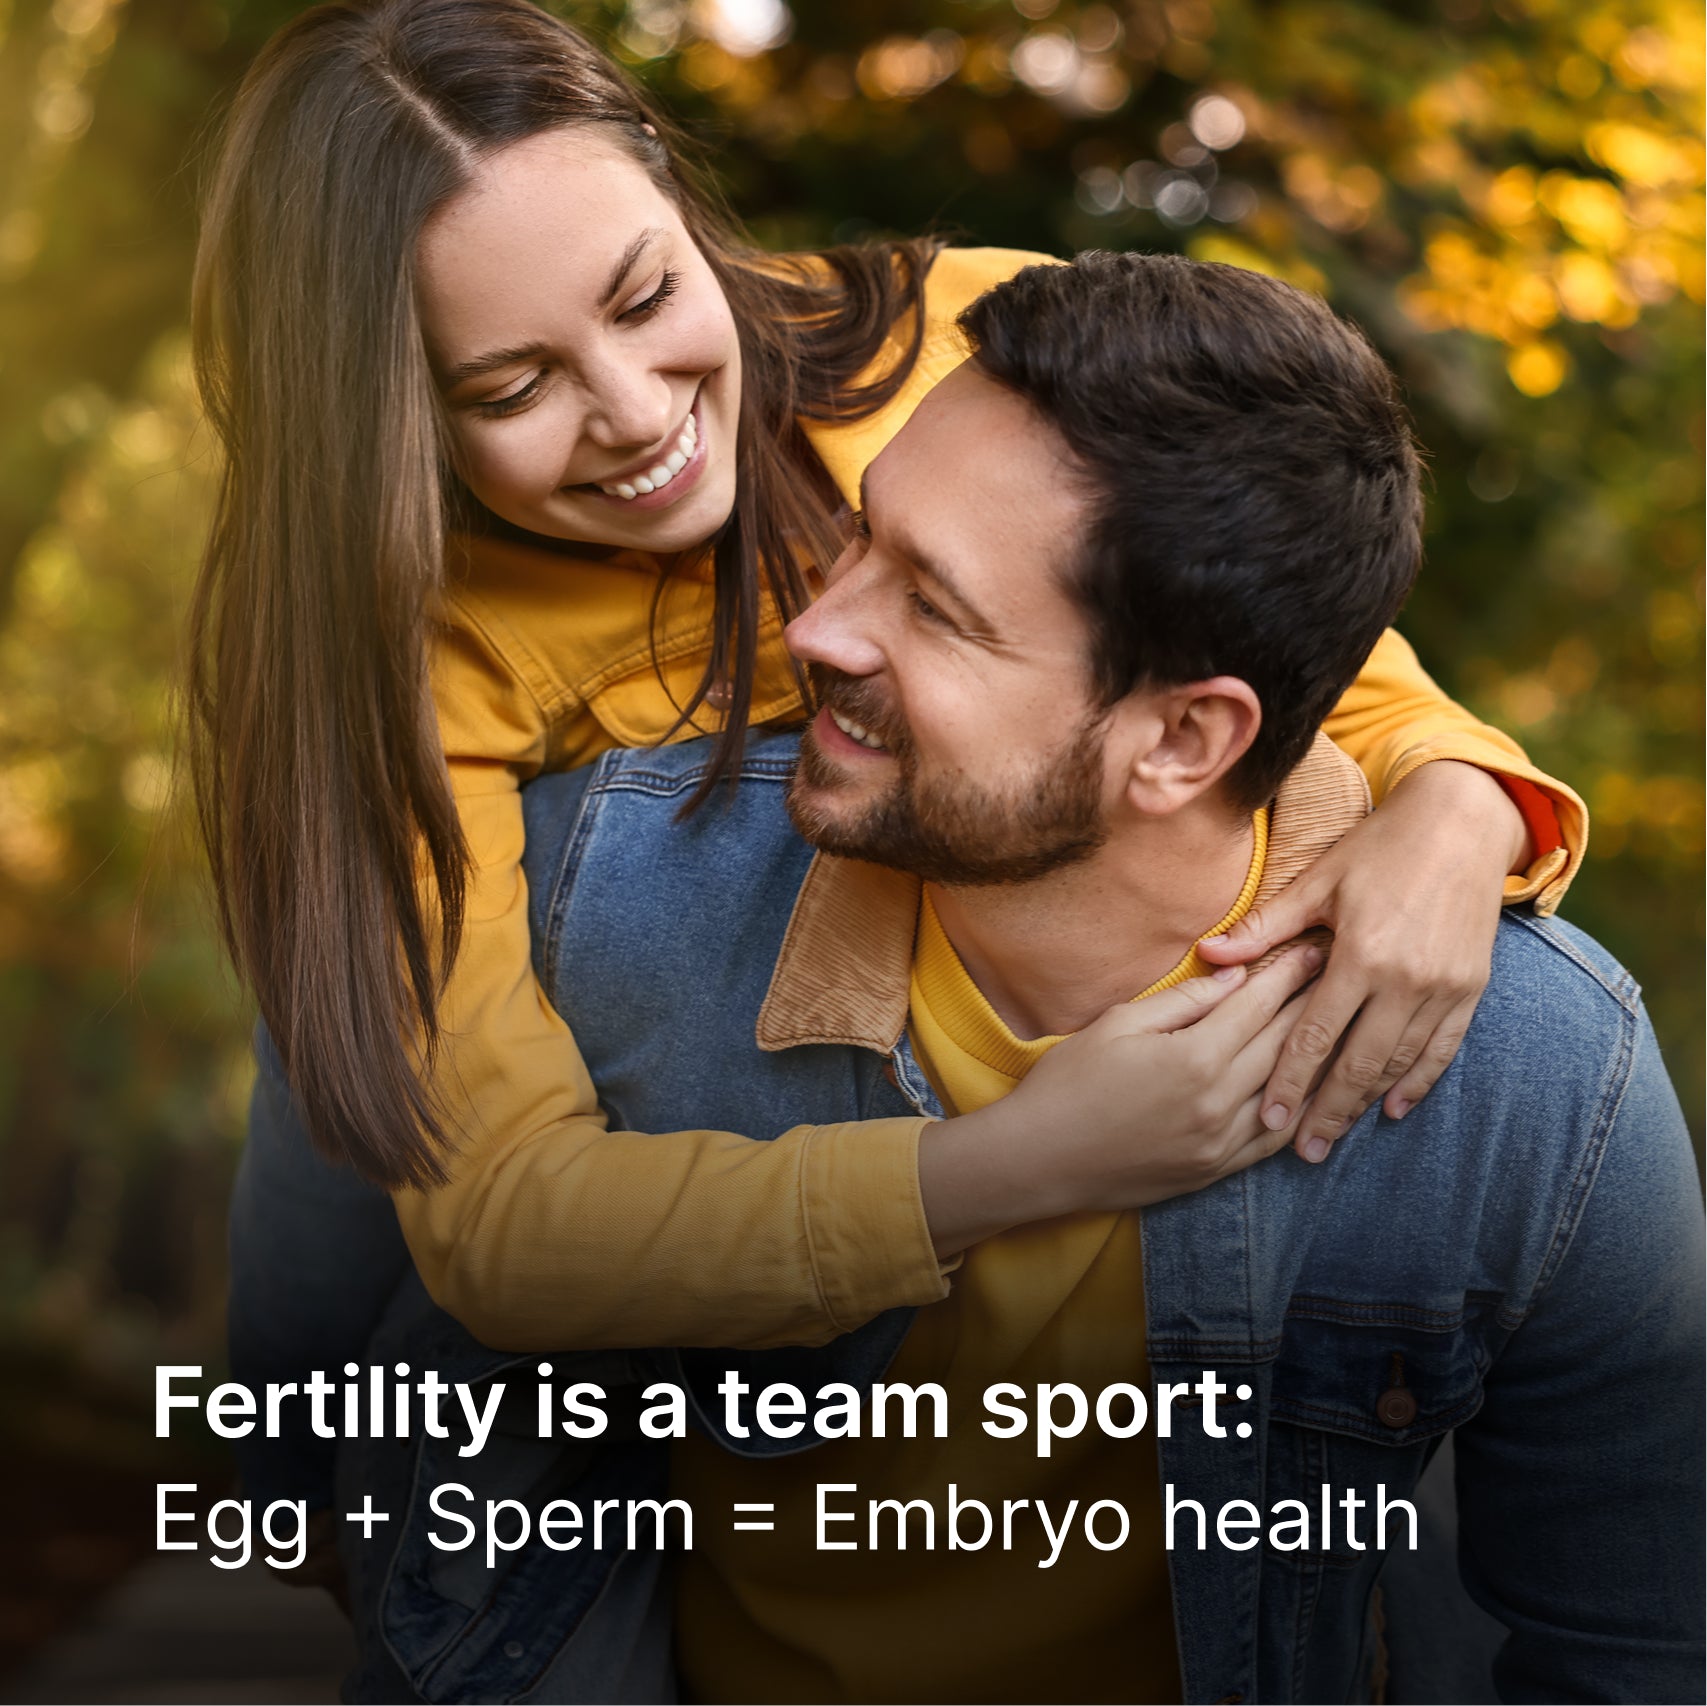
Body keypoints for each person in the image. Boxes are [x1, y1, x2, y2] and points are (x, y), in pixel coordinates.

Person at [202, 0, 1587, 1479]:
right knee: (334, 1352)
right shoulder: (405, 659)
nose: (636, 412)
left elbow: (1274, 646)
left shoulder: (961, 358)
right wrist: (1030, 1159)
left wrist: (1461, 805)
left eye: (646, 295)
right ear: (385, 415)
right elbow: (500, 1223)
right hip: (514, 1115)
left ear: (675, 193)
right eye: (513, 386)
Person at [333, 251, 1702, 1705]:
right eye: (863, 538)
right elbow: (432, 1372)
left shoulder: (1540, 1077)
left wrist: (1465, 790)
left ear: (1183, 741)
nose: (810, 629)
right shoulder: (602, 903)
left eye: (936, 607)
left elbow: (1639, 1651)